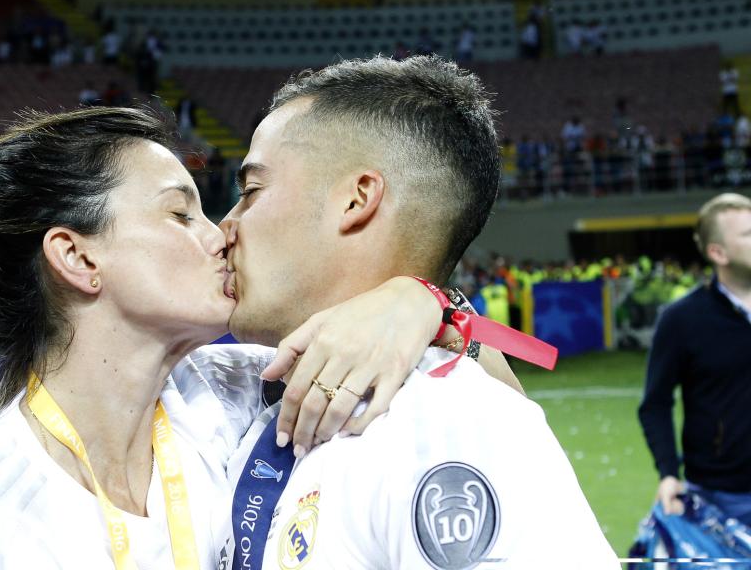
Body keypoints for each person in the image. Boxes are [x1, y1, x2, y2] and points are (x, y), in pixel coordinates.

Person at [0, 107, 496, 568]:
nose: (220, 234)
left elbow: (495, 405)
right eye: (179, 212)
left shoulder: (243, 397)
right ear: (78, 257)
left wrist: (419, 301)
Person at [217, 56, 617, 568]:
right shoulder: (248, 401)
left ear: (356, 199)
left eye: (251, 191)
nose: (224, 226)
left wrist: (435, 308)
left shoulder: (446, 424)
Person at [639, 193, 751, 526]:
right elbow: (655, 404)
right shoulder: (683, 318)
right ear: (718, 252)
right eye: (747, 234)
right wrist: (669, 472)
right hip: (721, 497)